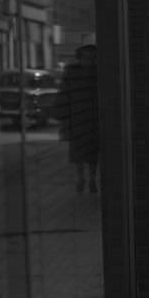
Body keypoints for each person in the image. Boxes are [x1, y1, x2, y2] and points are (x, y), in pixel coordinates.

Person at [58, 44, 100, 193]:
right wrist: (64, 118)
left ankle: (92, 179)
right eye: (86, 57)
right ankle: (81, 178)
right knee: (79, 154)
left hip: (93, 118)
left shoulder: (97, 72)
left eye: (92, 58)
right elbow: (64, 95)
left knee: (92, 153)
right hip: (78, 117)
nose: (89, 61)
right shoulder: (72, 72)